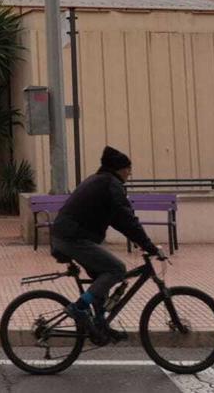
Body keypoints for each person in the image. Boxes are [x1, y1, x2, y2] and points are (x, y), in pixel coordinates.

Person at [50, 146, 163, 345]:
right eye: (128, 168)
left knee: (103, 279)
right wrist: (149, 246)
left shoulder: (101, 181)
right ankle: (79, 308)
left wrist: (141, 242)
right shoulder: (111, 184)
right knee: (116, 269)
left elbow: (119, 221)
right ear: (119, 169)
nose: (130, 172)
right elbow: (126, 219)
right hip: (71, 237)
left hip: (67, 235)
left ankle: (100, 324)